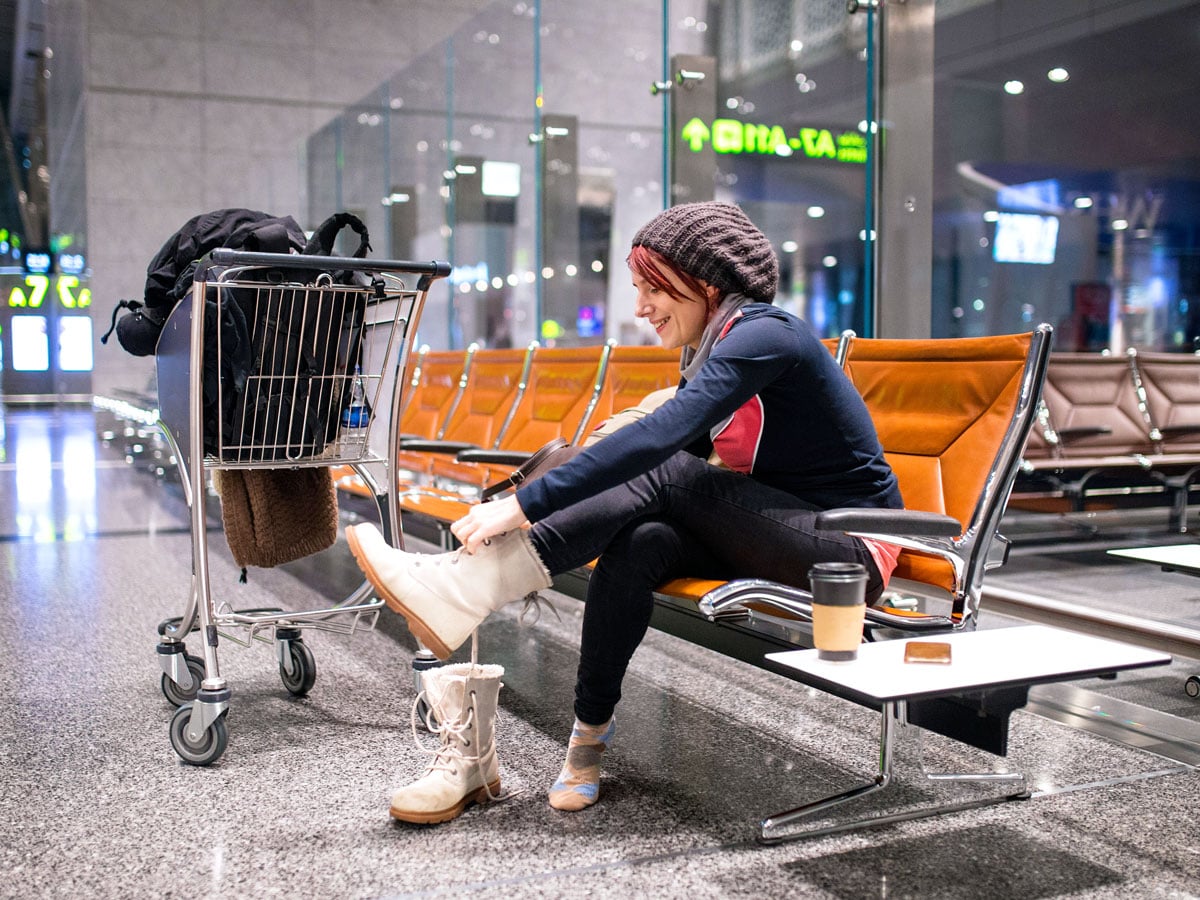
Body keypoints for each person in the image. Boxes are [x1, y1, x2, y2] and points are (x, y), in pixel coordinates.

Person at [347, 201, 903, 824]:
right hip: (776, 531)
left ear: (707, 282)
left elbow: (663, 445)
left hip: (849, 552)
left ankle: (469, 585)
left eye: (651, 288)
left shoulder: (768, 336)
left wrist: (522, 505)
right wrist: (550, 498)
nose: (640, 308)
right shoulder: (712, 350)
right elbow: (653, 464)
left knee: (663, 472)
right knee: (639, 542)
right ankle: (585, 744)